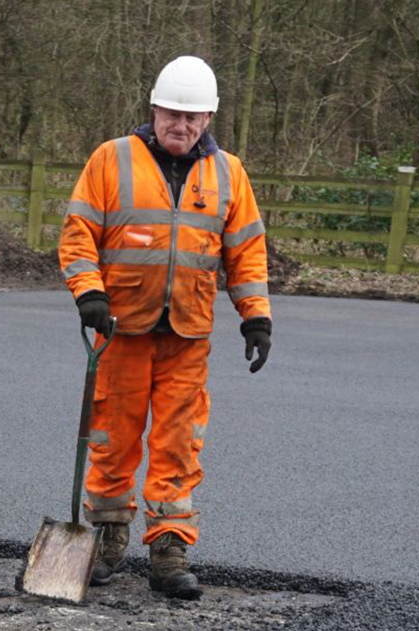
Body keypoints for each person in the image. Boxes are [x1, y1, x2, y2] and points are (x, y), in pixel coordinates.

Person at [57, 55, 272, 600]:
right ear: (153, 109)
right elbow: (78, 231)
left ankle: (169, 547)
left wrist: (257, 316)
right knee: (113, 436)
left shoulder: (229, 173)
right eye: (173, 113)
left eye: (193, 117)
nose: (181, 125)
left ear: (208, 119)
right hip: (120, 326)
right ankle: (106, 538)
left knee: (179, 442)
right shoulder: (111, 160)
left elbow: (245, 250)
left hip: (187, 334)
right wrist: (89, 293)